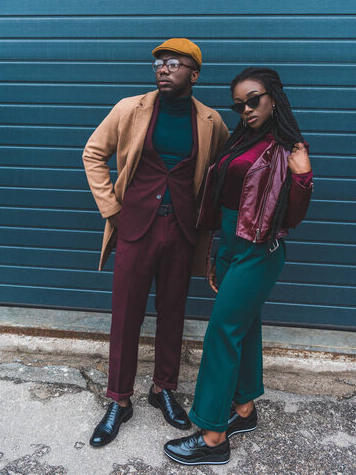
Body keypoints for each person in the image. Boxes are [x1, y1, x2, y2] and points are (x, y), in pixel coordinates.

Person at [82, 38, 229, 447]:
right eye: (159, 63)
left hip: (181, 231)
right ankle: (119, 400)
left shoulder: (211, 122)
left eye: (175, 64)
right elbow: (93, 154)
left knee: (173, 313)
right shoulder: (131, 109)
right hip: (135, 228)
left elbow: (219, 175)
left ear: (194, 74)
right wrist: (111, 209)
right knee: (125, 314)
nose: (163, 69)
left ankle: (163, 388)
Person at [164, 67, 313, 466]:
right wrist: (215, 251)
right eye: (239, 104)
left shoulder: (287, 147)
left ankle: (213, 436)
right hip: (231, 243)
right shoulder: (242, 139)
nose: (245, 109)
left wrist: (302, 178)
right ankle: (244, 410)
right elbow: (226, 201)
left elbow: (291, 217)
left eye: (253, 100)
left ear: (273, 98)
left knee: (221, 332)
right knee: (243, 328)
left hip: (259, 250)